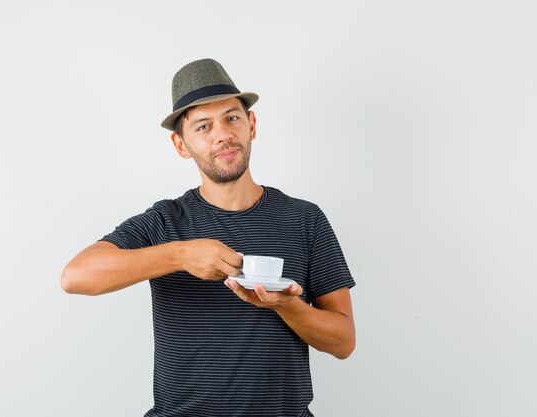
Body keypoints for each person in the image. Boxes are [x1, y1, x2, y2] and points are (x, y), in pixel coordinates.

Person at [61, 58, 356, 417]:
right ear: (181, 145)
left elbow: (343, 342)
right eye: (203, 126)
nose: (222, 134)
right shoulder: (165, 222)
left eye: (232, 118)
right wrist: (180, 256)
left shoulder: (305, 219)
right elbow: (75, 276)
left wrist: (286, 305)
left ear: (252, 125)